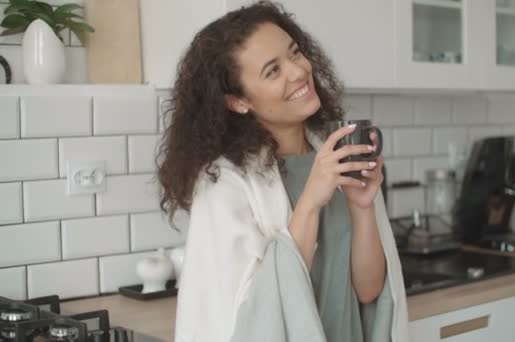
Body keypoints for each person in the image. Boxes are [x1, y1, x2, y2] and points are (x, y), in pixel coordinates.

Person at [157, 2, 408, 341]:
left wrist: (361, 208)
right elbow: (254, 313)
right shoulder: (224, 183)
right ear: (238, 101)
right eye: (272, 71)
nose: (298, 71)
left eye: (295, 53)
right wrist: (311, 201)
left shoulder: (333, 155)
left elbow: (367, 291)